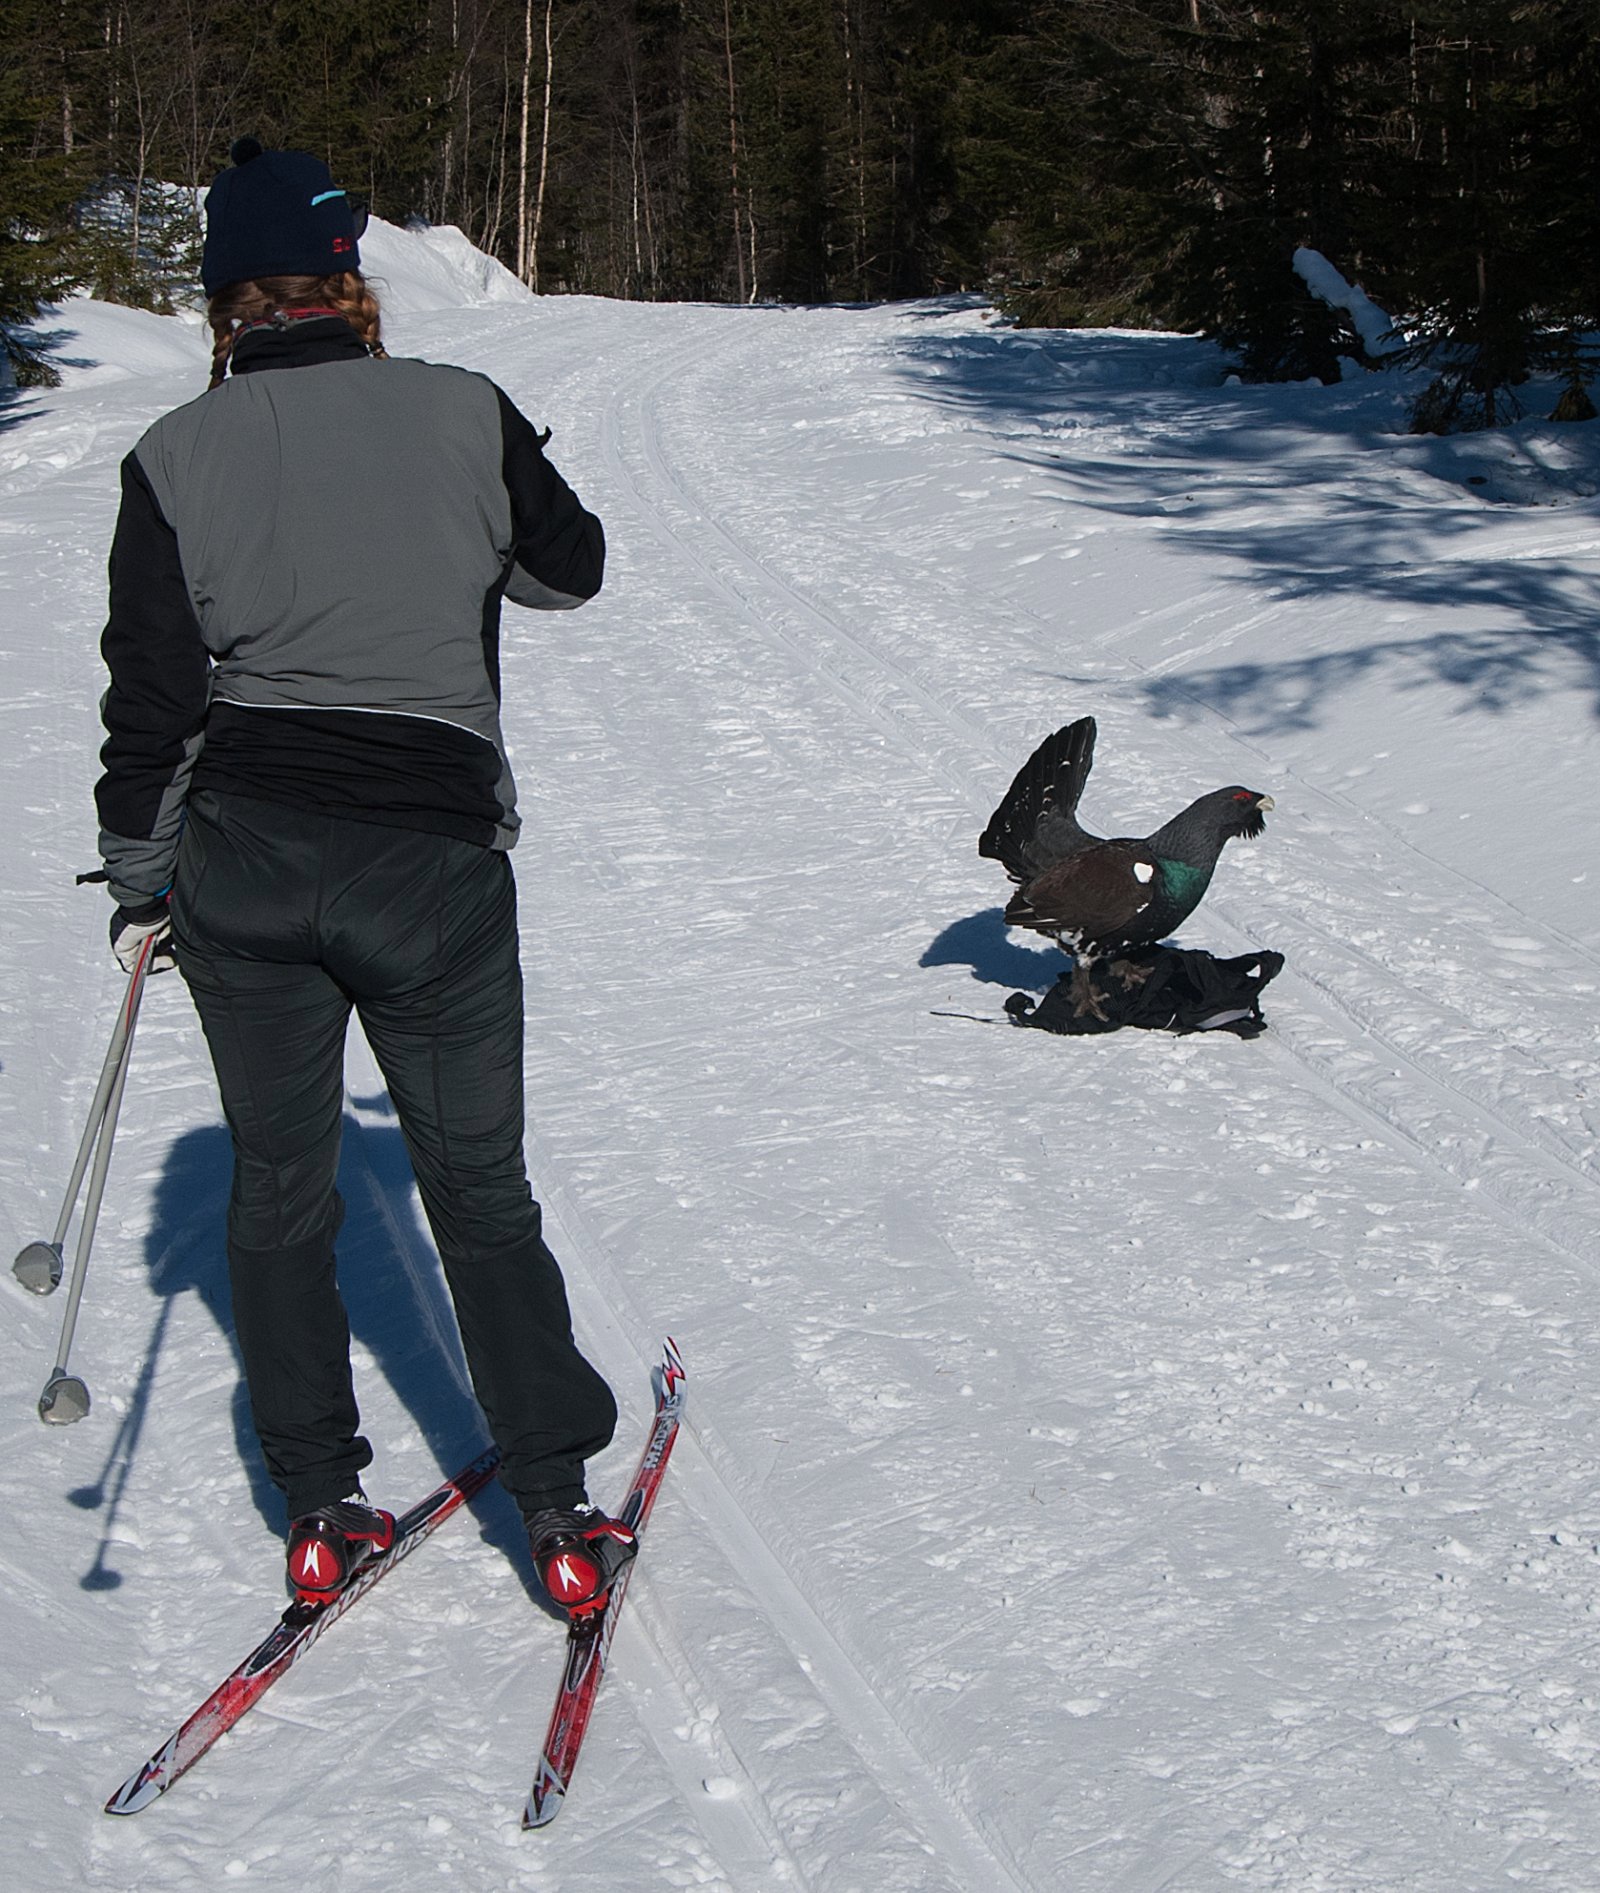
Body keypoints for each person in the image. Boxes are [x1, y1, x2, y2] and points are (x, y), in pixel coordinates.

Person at [94, 139, 636, 1623]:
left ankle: (320, 1498)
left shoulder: (172, 457)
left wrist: (144, 881)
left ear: (224, 305)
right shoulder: (464, 410)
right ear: (353, 284)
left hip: (244, 869)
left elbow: (148, 705)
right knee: (476, 1189)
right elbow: (570, 568)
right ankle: (558, 1503)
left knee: (278, 1191)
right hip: (432, 870)